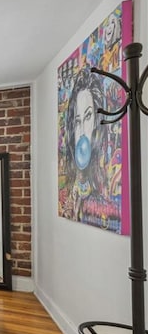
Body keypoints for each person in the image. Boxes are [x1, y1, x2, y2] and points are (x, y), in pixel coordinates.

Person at [62, 67, 110, 223]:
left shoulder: (105, 189)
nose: (82, 130)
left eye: (88, 116)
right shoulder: (68, 192)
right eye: (77, 122)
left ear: (96, 122)